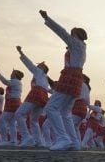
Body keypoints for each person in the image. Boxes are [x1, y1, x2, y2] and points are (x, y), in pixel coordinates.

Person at [40, 10, 87, 151]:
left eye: (73, 34)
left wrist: (48, 18)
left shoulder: (76, 44)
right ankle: (74, 142)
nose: (70, 36)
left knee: (51, 108)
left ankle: (63, 138)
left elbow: (62, 32)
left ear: (76, 35)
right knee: (65, 112)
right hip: (75, 78)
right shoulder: (79, 47)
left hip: (70, 77)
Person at [15, 46, 50, 147]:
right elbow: (48, 89)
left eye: (40, 65)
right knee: (34, 120)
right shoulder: (45, 78)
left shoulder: (39, 72)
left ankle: (27, 137)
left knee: (19, 114)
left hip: (36, 93)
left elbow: (29, 65)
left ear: (43, 68)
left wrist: (21, 53)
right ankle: (38, 141)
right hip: (43, 96)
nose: (37, 66)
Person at [0, 67, 23, 145]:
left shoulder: (15, 81)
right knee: (12, 123)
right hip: (15, 102)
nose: (11, 73)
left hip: (12, 102)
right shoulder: (17, 82)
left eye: (13, 72)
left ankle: (4, 140)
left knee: (2, 119)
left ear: (16, 75)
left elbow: (5, 81)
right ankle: (13, 140)